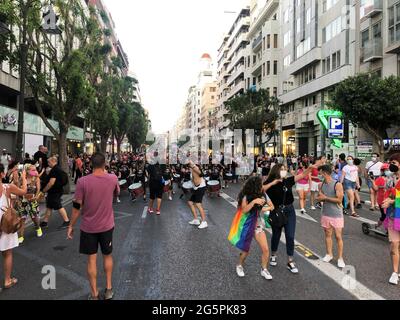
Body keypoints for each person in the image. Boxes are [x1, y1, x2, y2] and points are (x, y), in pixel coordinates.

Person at [67, 153, 119, 300]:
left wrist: (71, 225)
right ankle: (109, 289)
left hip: (88, 227)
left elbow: (77, 206)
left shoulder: (82, 182)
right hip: (107, 226)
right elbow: (117, 193)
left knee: (91, 260)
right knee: (107, 256)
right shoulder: (113, 178)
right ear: (105, 164)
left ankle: (94, 294)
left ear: (90, 164)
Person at [263, 161, 318, 273]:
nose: (284, 171)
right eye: (282, 169)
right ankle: (273, 254)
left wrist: (310, 168)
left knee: (290, 236)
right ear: (276, 171)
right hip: (276, 211)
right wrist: (273, 182)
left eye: (285, 169)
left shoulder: (287, 181)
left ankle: (290, 261)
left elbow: (302, 175)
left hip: (289, 211)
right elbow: (261, 189)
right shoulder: (269, 182)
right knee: (276, 235)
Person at [232, 176, 275, 280]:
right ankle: (239, 265)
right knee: (246, 250)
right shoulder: (246, 196)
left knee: (265, 249)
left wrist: (264, 208)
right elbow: (244, 210)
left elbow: (272, 206)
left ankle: (264, 269)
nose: (262, 186)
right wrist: (254, 202)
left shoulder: (263, 194)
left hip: (257, 224)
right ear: (255, 186)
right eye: (261, 184)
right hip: (246, 224)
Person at [0, 163, 27, 289]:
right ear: (2, 174)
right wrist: (24, 178)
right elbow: (24, 191)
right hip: (5, 225)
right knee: (7, 253)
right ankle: (7, 280)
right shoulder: (7, 187)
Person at [317, 165, 346, 268]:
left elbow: (339, 200)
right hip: (325, 213)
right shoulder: (320, 185)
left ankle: (340, 258)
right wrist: (320, 198)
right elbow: (319, 197)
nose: (319, 175)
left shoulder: (337, 185)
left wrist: (325, 198)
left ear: (325, 173)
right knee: (328, 235)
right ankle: (329, 254)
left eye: (320, 173)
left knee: (338, 236)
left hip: (337, 214)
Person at [381, 153, 400, 285]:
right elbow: (387, 194)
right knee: (394, 245)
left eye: (394, 162)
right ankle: (395, 272)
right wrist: (386, 201)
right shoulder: (390, 179)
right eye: (390, 162)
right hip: (394, 216)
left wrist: (392, 202)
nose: (391, 165)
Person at [40, 157, 70, 229]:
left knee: (58, 205)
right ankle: (45, 222)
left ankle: (67, 221)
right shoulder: (57, 169)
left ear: (53, 162)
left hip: (55, 191)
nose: (48, 163)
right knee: (49, 206)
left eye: (49, 162)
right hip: (56, 190)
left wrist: (43, 191)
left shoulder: (54, 170)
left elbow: (51, 183)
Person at [17, 165, 43, 244]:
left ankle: (38, 228)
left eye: (35, 170)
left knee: (34, 217)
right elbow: (17, 190)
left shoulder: (36, 179)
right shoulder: (22, 179)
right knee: (22, 218)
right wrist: (18, 200)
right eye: (32, 170)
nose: (35, 171)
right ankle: (21, 236)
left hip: (33, 201)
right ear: (27, 171)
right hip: (23, 201)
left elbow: (38, 189)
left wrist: (36, 197)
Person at [187, 160, 208, 229]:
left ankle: (204, 222)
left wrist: (195, 185)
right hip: (197, 188)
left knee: (198, 204)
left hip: (200, 187)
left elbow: (200, 174)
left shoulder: (194, 168)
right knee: (190, 202)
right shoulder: (191, 168)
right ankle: (196, 219)